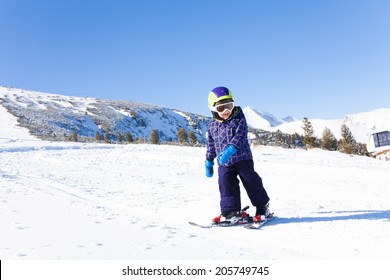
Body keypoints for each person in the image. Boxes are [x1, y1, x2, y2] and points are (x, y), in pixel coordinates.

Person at [205, 86, 270, 224]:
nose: (226, 111)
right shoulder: (211, 125)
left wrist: (230, 149)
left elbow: (240, 135)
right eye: (221, 108)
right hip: (224, 163)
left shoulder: (239, 118)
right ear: (213, 109)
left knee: (250, 180)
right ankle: (230, 211)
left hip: (242, 158)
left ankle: (262, 206)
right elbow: (210, 144)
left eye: (229, 106)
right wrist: (209, 160)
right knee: (226, 184)